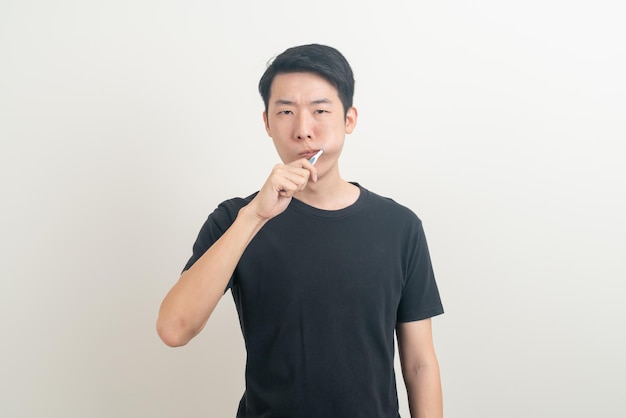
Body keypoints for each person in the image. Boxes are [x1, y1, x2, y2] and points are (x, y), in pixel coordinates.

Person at [157, 44, 444, 418]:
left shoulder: (400, 226)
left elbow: (420, 363)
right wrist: (254, 217)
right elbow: (174, 329)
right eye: (286, 112)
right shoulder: (235, 219)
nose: (303, 130)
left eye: (320, 111)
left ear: (349, 119)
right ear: (267, 123)